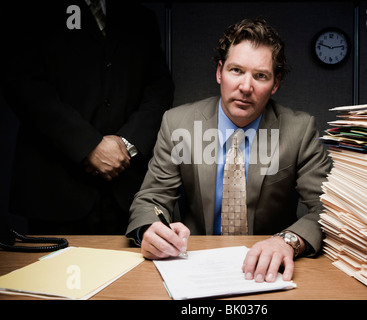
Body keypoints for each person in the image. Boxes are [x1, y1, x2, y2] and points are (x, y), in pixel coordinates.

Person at [126, 18, 331, 282]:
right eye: (236, 70)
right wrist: (150, 230)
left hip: (268, 270)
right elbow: (151, 200)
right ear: (219, 72)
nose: (246, 87)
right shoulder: (178, 124)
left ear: (276, 83)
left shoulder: (300, 130)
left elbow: (329, 209)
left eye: (260, 76)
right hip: (195, 264)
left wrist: (287, 241)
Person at [0, 0, 174, 234]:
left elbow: (159, 88)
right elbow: (22, 83)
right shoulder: (33, 11)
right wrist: (88, 146)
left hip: (127, 189)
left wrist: (125, 144)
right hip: (56, 187)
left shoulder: (140, 16)